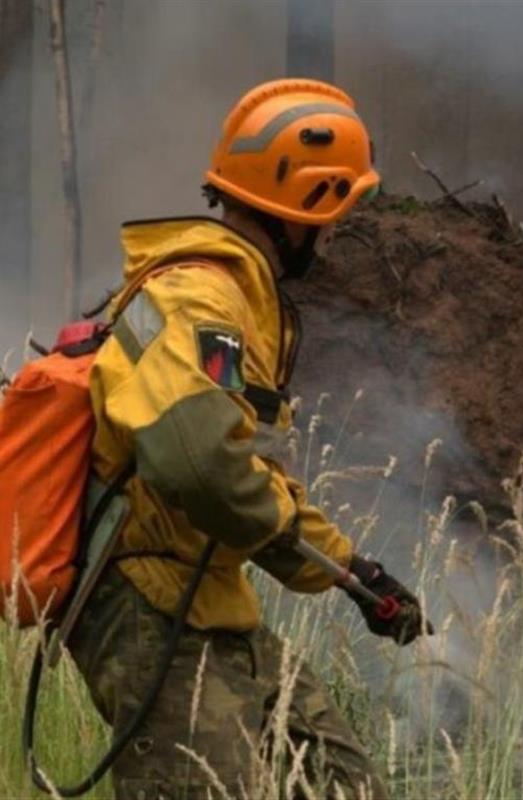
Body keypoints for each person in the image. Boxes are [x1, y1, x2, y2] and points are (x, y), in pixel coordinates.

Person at [67, 79, 424, 800]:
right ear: (306, 209)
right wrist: (296, 547)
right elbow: (201, 466)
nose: (330, 237)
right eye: (333, 217)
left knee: (342, 783)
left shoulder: (233, 301)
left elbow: (242, 460)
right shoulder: (201, 301)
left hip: (205, 599)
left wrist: (353, 571)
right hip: (147, 606)